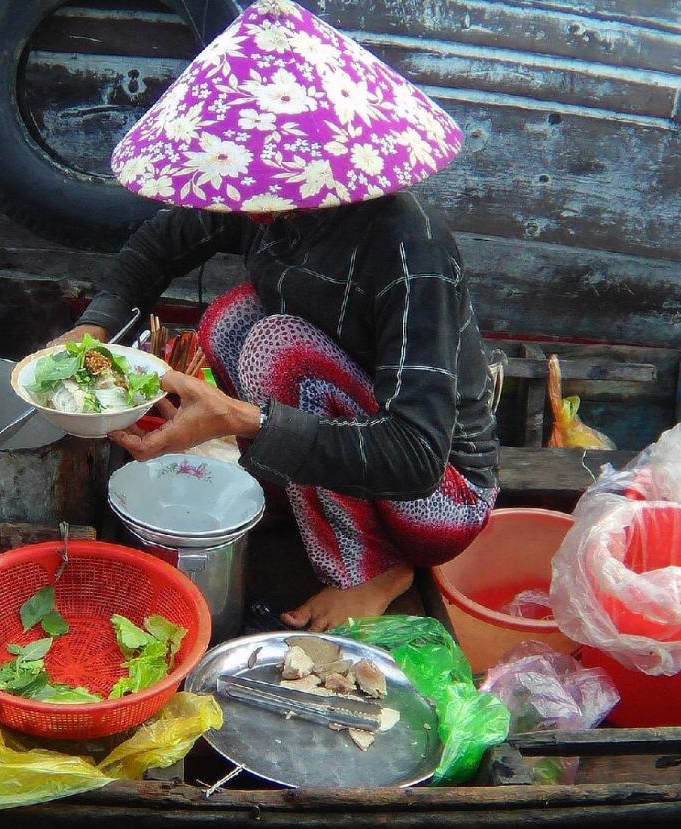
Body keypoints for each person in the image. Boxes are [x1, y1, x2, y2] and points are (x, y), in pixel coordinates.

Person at [56, 0, 498, 632]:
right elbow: (158, 247)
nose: (252, 201)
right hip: (357, 431)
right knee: (231, 320)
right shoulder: (259, 191)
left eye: (272, 180)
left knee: (274, 346)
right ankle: (307, 491)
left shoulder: (408, 247)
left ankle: (368, 573)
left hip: (439, 500)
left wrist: (244, 420)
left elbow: (416, 457)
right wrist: (90, 332)